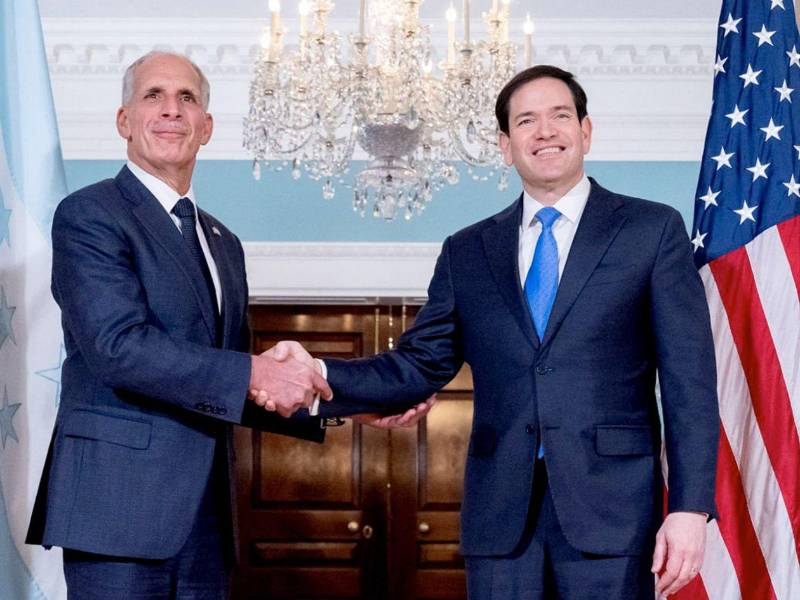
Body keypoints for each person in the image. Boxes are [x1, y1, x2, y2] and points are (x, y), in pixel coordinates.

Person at [282, 65, 719, 599]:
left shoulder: (651, 230)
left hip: (614, 513)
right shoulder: (467, 250)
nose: (545, 132)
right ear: (505, 145)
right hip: (500, 518)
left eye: (560, 116)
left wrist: (690, 509)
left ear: (586, 131)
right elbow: (419, 363)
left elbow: (689, 382)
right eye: (526, 121)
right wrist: (320, 374)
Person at [24, 51, 427, 599]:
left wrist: (351, 403)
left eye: (187, 98)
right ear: (124, 121)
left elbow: (235, 385)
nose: (172, 110)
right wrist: (258, 372)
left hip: (208, 523)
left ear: (207, 127)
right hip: (116, 512)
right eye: (153, 96)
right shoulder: (89, 214)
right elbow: (118, 347)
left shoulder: (223, 243)